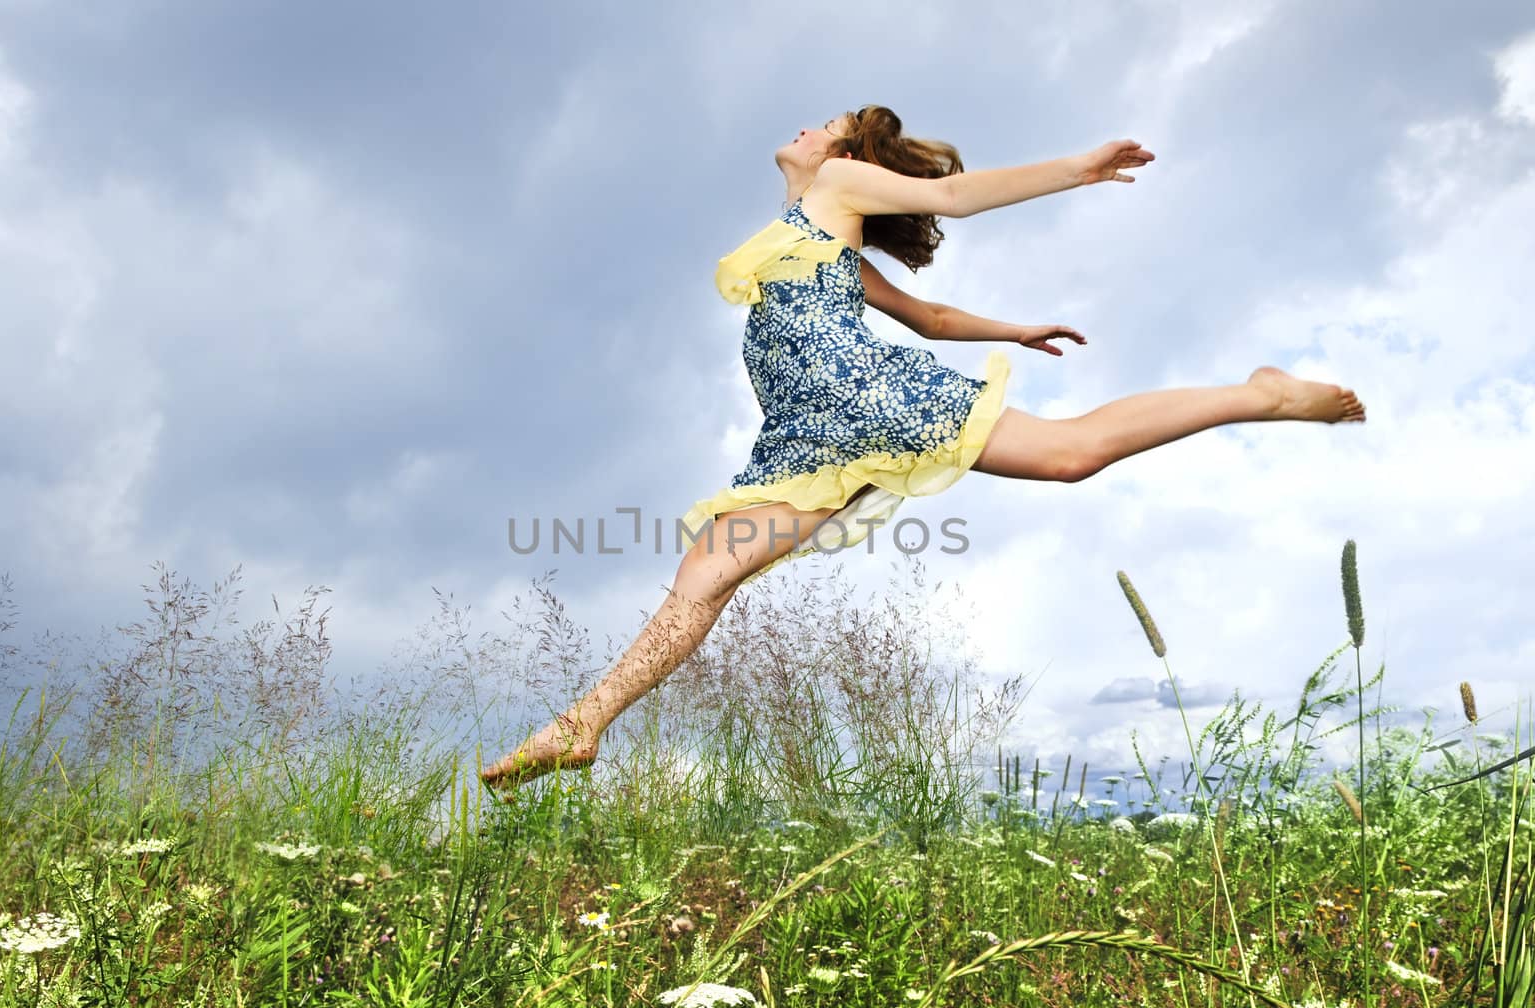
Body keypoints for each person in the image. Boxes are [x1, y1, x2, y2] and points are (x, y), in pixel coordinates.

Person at [480, 105, 1364, 791]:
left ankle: (1261, 394)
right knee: (702, 581)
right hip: (805, 435)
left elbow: (946, 198)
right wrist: (1014, 329)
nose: (806, 128)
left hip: (868, 399)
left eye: (824, 126)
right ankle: (582, 723)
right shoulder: (813, 234)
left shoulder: (836, 187)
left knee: (1068, 454)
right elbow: (928, 316)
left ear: (847, 159)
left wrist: (1077, 169)